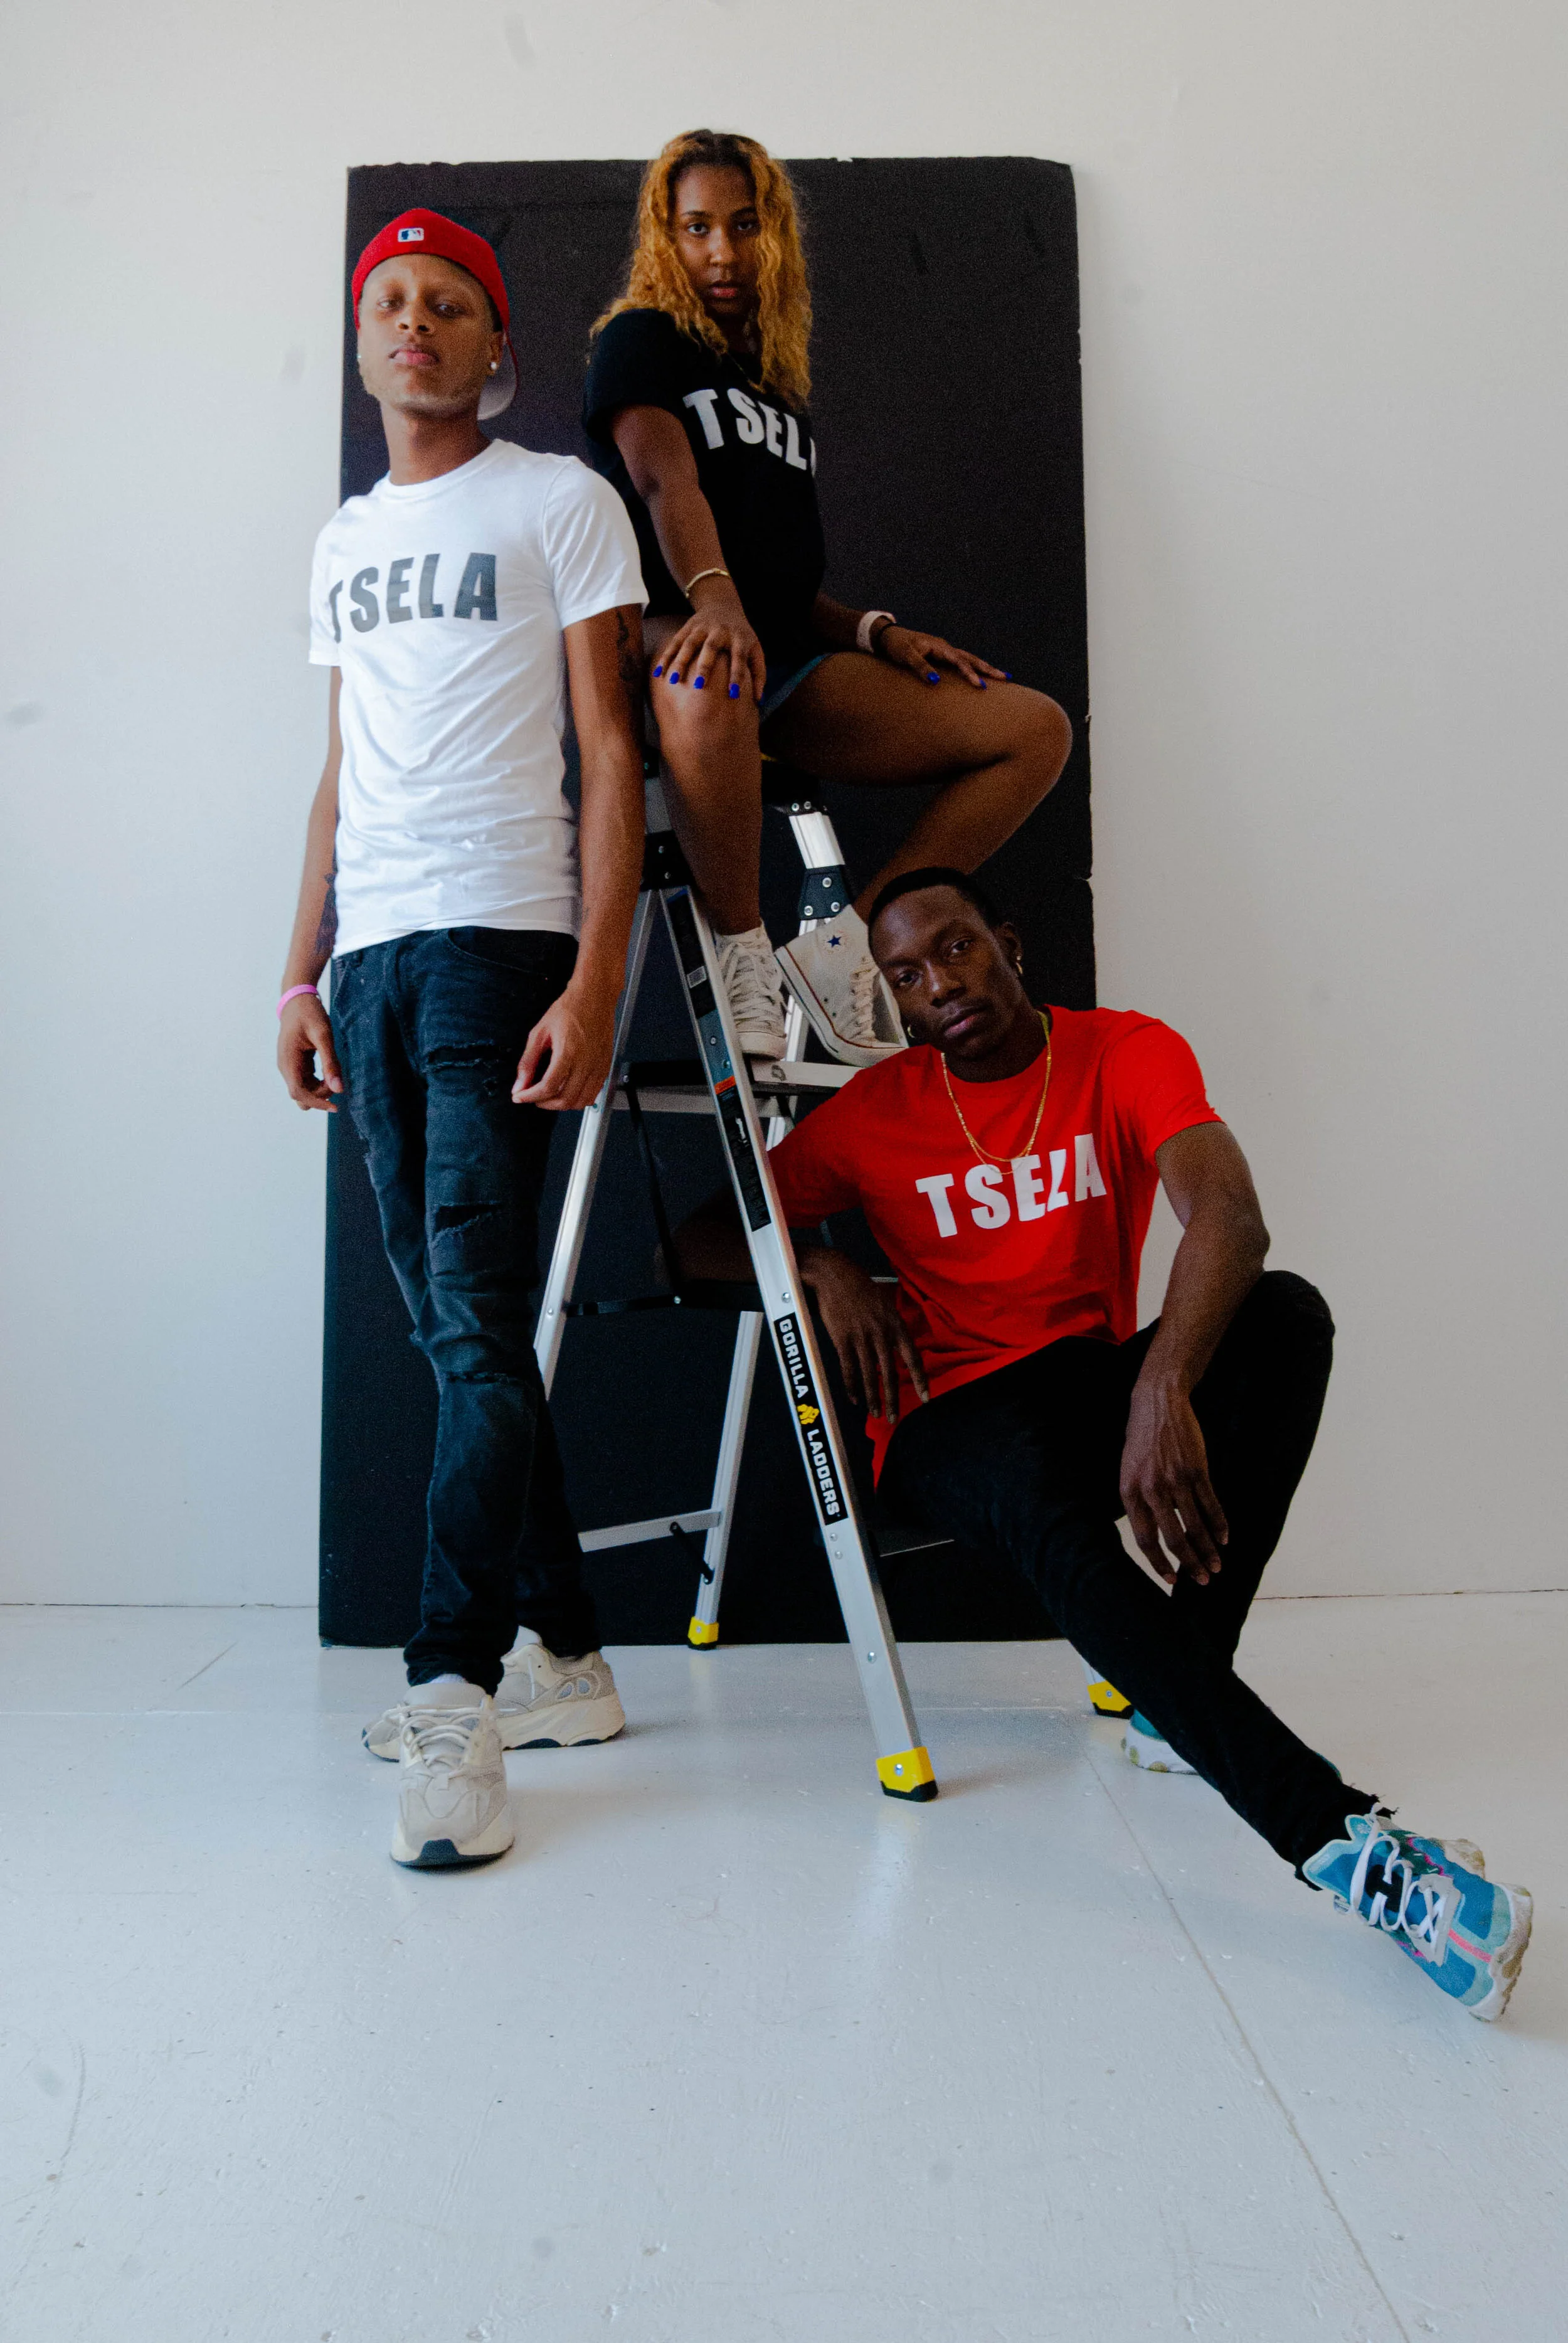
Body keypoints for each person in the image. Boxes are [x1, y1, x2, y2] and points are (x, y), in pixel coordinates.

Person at [673, 871, 1534, 2020]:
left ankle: (1180, 1688)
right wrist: (821, 1263)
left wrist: (1161, 1385)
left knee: (1285, 1317)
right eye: (908, 977)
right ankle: (1346, 1850)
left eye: (958, 948)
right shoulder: (877, 1113)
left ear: (1009, 945)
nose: (941, 985)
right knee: (1032, 1486)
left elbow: (1231, 1214)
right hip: (942, 1423)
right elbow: (695, 1241)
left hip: (1085, 1387)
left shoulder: (1123, 1050)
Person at [277, 210, 647, 1871]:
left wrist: (596, 978)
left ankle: (454, 1682)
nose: (412, 324)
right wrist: (298, 976)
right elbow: (338, 776)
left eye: (447, 307)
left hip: (501, 950)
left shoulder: (558, 501)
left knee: (477, 1333)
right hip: (371, 961)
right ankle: (562, 1652)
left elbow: (611, 749)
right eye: (388, 303)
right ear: (363, 345)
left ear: (493, 351)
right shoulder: (342, 541)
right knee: (456, 1337)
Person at [582, 128, 1074, 1068]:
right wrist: (714, 602)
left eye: (743, 224)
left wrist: (874, 631)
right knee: (708, 666)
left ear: (775, 236)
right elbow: (664, 486)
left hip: (772, 655)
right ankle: (744, 949)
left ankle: (844, 950)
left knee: (1032, 728)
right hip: (659, 639)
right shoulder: (639, 339)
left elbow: (780, 580)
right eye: (696, 228)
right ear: (665, 238)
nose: (722, 251)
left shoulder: (774, 387)